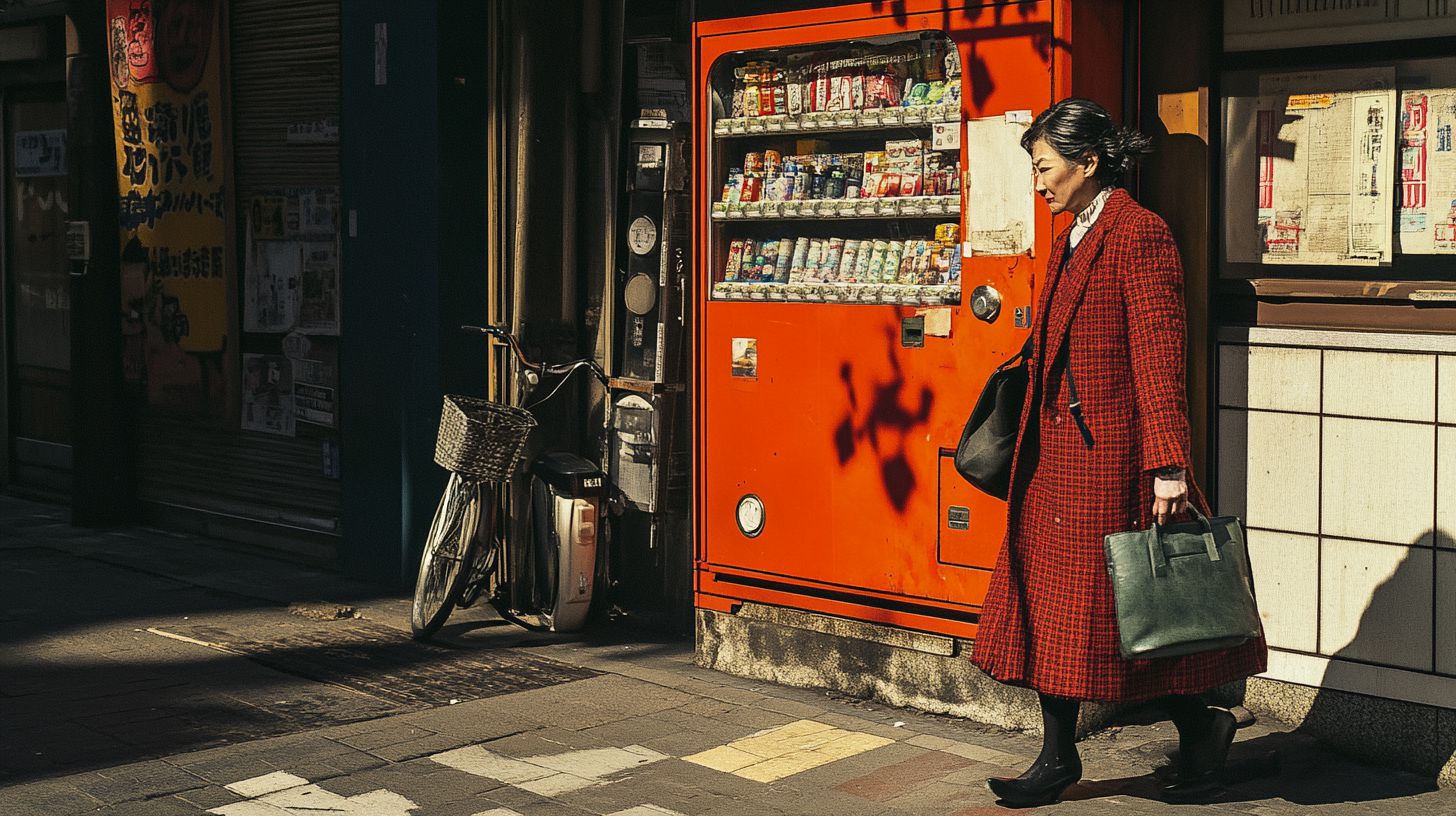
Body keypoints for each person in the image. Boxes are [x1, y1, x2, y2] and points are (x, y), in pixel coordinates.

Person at [968, 97, 1267, 807]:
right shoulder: (1072, 233)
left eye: (1045, 167)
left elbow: (1159, 359)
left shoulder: (1140, 234)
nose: (1038, 181)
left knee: (1135, 614)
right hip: (1055, 458)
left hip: (1112, 459)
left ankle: (1200, 725)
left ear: (1089, 161)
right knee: (1058, 611)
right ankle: (1059, 755)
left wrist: (1168, 467)